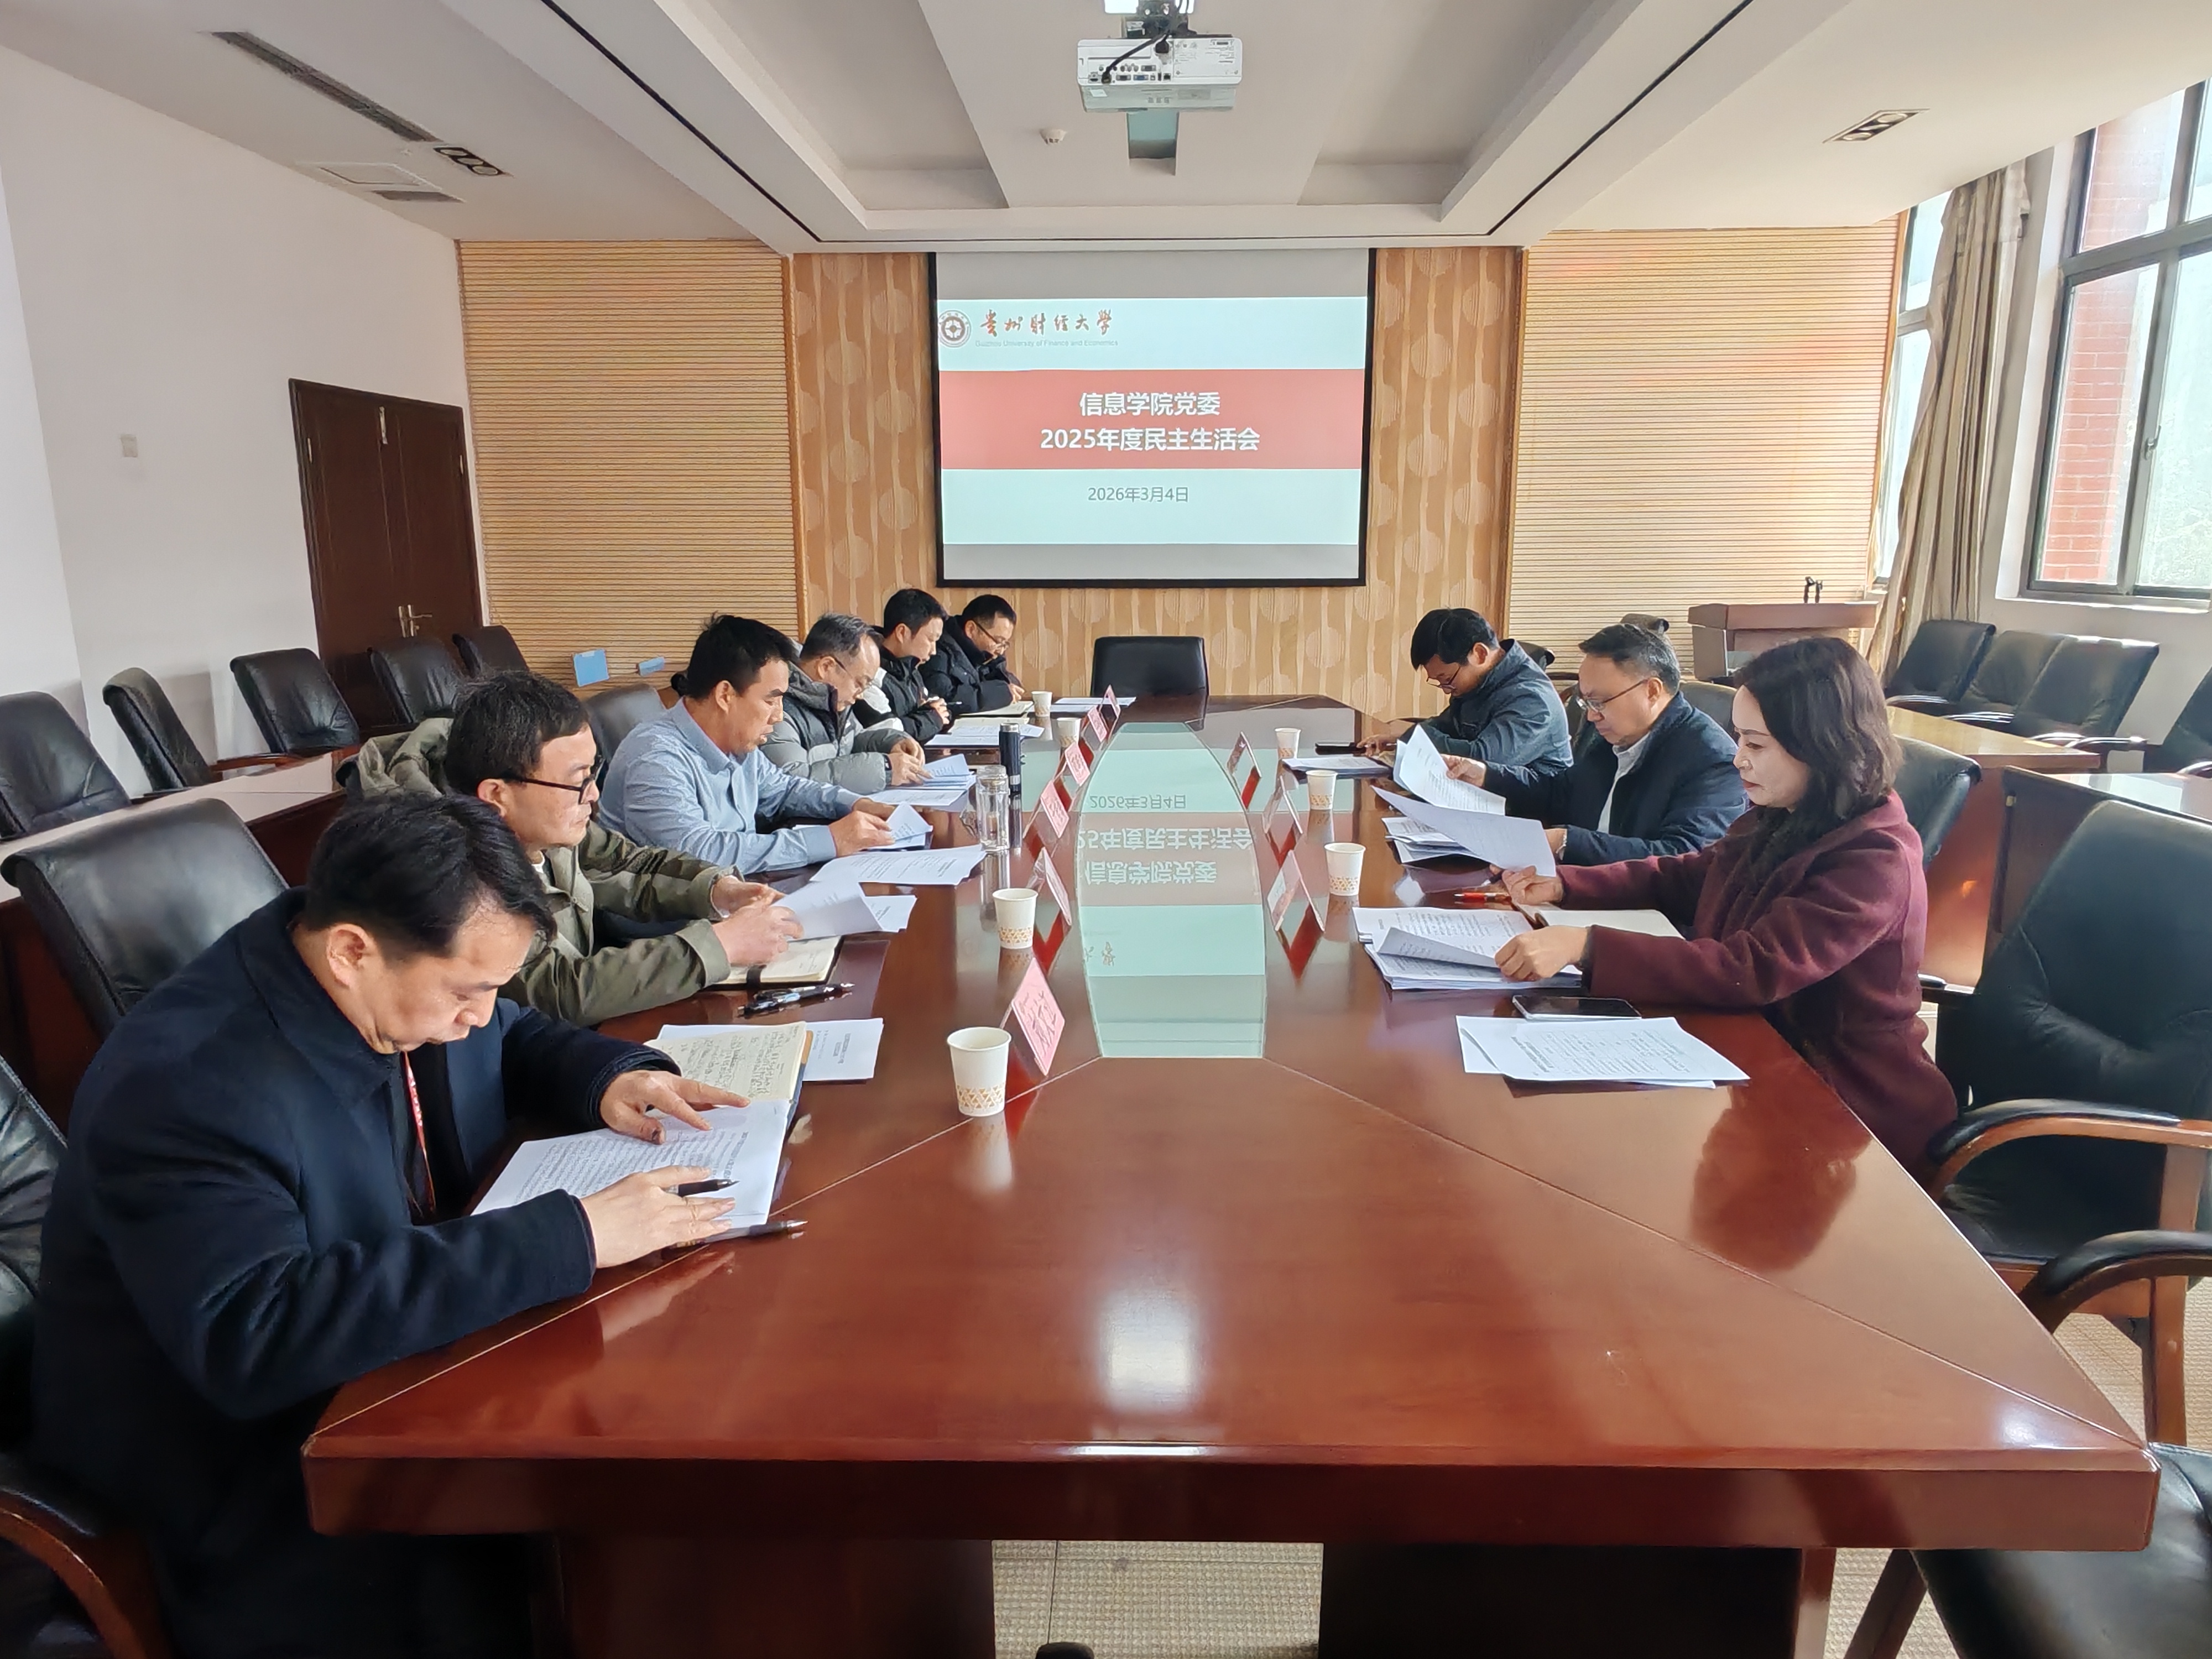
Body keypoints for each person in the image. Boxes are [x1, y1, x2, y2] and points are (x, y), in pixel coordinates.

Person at [33, 795, 749, 1659]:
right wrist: (576, 1238)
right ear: (351, 952)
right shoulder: (188, 1087)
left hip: (394, 1378)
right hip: (256, 1473)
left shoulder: (392, 980)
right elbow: (256, 1330)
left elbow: (510, 1034)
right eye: (468, 990)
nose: (480, 1012)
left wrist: (611, 1077)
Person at [1492, 637, 1955, 1171]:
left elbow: (1753, 966)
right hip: (1752, 1050)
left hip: (1848, 1109)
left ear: (1821, 746)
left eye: (1756, 745)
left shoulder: (1876, 857)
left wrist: (1587, 945)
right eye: (1740, 739)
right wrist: (1567, 886)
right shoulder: (1785, 812)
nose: (1738, 759)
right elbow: (1691, 873)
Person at [351, 671, 803, 1024]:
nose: (594, 795)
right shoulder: (454, 874)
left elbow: (628, 861)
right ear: (497, 795)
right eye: (576, 781)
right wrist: (720, 945)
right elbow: (557, 990)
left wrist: (715, 889)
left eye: (592, 773)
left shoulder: (545, 824)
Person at [600, 613, 896, 874]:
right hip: (679, 916)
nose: (779, 716)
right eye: (771, 700)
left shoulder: (737, 744)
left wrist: (854, 803)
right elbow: (698, 855)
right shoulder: (655, 758)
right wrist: (828, 840)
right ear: (725, 695)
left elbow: (785, 789)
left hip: (736, 897)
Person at [1441, 623, 1744, 864]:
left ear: (1652, 691)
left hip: (1642, 911)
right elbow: (1562, 792)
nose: (1591, 715)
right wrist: (1486, 775)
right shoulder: (1610, 732)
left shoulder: (1713, 762)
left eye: (1600, 701)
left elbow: (1681, 858)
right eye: (1585, 701)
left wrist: (1567, 842)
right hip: (1576, 887)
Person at [1354, 606, 1570, 773]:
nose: (1447, 691)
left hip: (1529, 810)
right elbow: (1448, 725)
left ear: (1480, 654)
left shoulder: (1532, 700)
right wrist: (1399, 738)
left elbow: (1481, 760)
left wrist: (1415, 736)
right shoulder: (1482, 681)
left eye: (1447, 679)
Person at [763, 612, 930, 792]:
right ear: (826, 667)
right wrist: (885, 769)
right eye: (859, 683)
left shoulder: (833, 699)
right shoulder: (777, 708)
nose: (860, 695)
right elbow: (791, 781)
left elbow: (852, 742)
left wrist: (892, 742)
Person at [860, 587, 953, 742]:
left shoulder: (910, 668)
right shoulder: (868, 673)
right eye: (931, 640)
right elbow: (886, 732)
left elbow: (934, 706)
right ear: (902, 633)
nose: (934, 651)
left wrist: (936, 713)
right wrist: (933, 719)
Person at [922, 593, 1025, 715]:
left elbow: (1010, 685)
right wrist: (1001, 693)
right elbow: (947, 699)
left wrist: (1007, 688)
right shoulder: (939, 652)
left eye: (1004, 643)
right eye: (998, 641)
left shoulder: (986, 654)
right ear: (971, 629)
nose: (1001, 651)